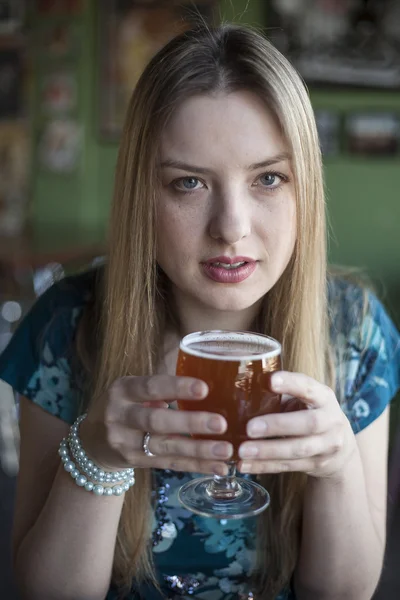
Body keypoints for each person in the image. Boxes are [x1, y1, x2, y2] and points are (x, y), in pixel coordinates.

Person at [0, 23, 399, 600]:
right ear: (143, 194)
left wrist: (336, 470)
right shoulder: (65, 327)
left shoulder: (353, 330)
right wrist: (98, 452)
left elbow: (342, 594)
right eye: (188, 183)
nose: (231, 227)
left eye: (268, 178)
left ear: (305, 189)